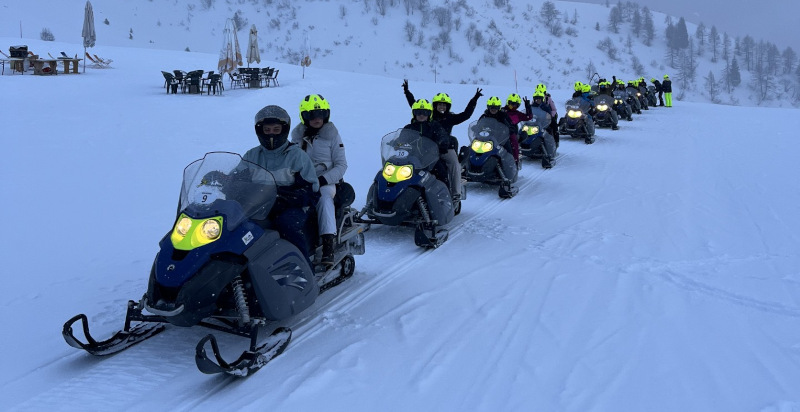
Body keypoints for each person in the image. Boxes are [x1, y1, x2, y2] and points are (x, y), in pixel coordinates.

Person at [243, 105, 319, 264]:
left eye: (276, 129)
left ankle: (304, 269)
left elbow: (311, 187)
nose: (271, 134)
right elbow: (238, 178)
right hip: (259, 207)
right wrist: (220, 179)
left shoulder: (297, 155)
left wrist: (292, 196)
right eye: (267, 129)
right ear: (260, 130)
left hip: (291, 207)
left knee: (287, 225)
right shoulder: (252, 155)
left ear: (283, 130)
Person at [290, 94, 348, 268]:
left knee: (323, 198)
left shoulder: (332, 136)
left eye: (321, 114)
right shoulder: (297, 137)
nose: (317, 119)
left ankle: (328, 242)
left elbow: (341, 165)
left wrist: (323, 179)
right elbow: (291, 160)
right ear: (304, 117)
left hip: (327, 181)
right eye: (311, 115)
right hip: (303, 180)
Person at [402, 80, 483, 200]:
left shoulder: (450, 117)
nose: (442, 107)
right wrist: (407, 92)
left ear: (448, 106)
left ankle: (456, 192)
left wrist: (474, 99)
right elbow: (415, 105)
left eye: (444, 105)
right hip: (426, 147)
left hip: (445, 147)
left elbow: (466, 115)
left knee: (454, 163)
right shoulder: (428, 114)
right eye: (439, 104)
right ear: (434, 105)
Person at [403, 99, 453, 191]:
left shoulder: (434, 126)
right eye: (419, 112)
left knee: (442, 173)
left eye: (425, 112)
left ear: (429, 114)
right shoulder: (409, 128)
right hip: (411, 158)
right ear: (414, 113)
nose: (422, 115)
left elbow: (443, 135)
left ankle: (447, 195)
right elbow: (401, 139)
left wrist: (442, 142)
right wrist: (396, 143)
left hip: (430, 158)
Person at [480, 96, 518, 166]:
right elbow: (479, 124)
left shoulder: (503, 116)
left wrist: (509, 129)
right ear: (488, 107)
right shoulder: (484, 116)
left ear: (499, 108)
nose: (493, 110)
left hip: (500, 139)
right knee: (473, 147)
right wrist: (475, 128)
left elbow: (510, 124)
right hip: (485, 138)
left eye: (496, 108)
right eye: (491, 107)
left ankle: (512, 164)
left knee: (509, 149)